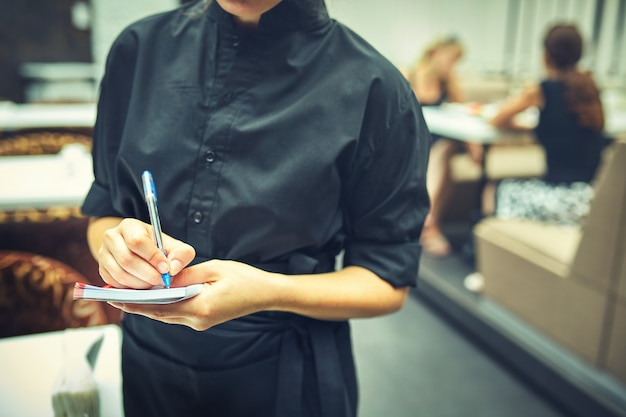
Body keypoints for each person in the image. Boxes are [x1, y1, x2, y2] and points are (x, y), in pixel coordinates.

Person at [81, 1, 431, 416]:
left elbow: (386, 280)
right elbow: (104, 210)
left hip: (283, 374)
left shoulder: (377, 90)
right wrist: (117, 249)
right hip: (149, 361)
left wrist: (271, 291)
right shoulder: (138, 50)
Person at [484, 23, 605, 226]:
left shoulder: (542, 89)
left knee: (495, 188)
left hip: (561, 202)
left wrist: (532, 127)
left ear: (546, 56)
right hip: (593, 199)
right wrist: (537, 127)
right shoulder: (590, 88)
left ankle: (487, 250)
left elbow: (497, 119)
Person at [406, 35, 482, 256]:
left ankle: (427, 220)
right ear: (435, 54)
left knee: (446, 150)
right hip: (414, 140)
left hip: (439, 142)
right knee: (444, 157)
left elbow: (462, 112)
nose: (453, 66)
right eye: (451, 59)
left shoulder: (448, 82)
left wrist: (472, 144)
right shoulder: (409, 75)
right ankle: (430, 225)